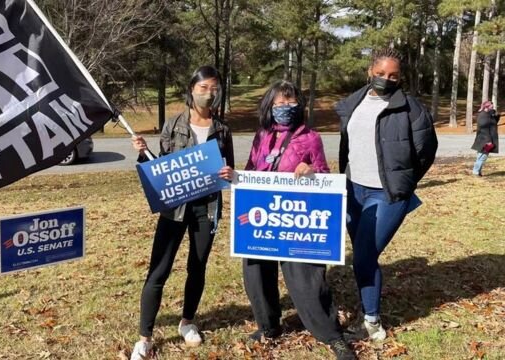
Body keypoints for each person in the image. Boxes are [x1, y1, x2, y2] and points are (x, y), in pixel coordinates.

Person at [241, 80, 355, 360]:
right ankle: (268, 326)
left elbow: (326, 176)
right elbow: (250, 171)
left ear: (300, 106)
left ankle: (331, 334)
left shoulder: (310, 137)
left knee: (307, 280)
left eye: (290, 103)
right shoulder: (261, 136)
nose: (285, 108)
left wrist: (312, 169)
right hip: (263, 218)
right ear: (269, 106)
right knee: (256, 274)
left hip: (296, 220)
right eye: (279, 103)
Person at [129, 65, 234, 360]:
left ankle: (187, 321)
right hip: (175, 208)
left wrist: (229, 173)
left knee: (197, 267)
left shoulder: (223, 129)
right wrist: (142, 152)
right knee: (158, 272)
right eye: (203, 88)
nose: (209, 94)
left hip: (207, 208)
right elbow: (161, 167)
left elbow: (230, 170)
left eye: (214, 88)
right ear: (192, 90)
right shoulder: (173, 124)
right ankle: (145, 338)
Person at [334, 48, 438, 341]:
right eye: (380, 74)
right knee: (363, 256)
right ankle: (367, 309)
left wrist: (403, 181)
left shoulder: (411, 108)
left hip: (388, 194)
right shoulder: (353, 103)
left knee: (364, 256)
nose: (385, 79)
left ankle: (371, 322)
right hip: (353, 190)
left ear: (400, 77)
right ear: (370, 71)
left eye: (393, 75)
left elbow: (426, 152)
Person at [471, 100, 500, 176]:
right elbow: (484, 129)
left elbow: (494, 123)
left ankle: (478, 172)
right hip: (484, 140)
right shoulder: (483, 115)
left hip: (486, 139)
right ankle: (475, 172)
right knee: (482, 156)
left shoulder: (488, 115)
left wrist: (496, 115)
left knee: (482, 156)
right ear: (486, 107)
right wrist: (488, 141)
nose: (493, 107)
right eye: (491, 106)